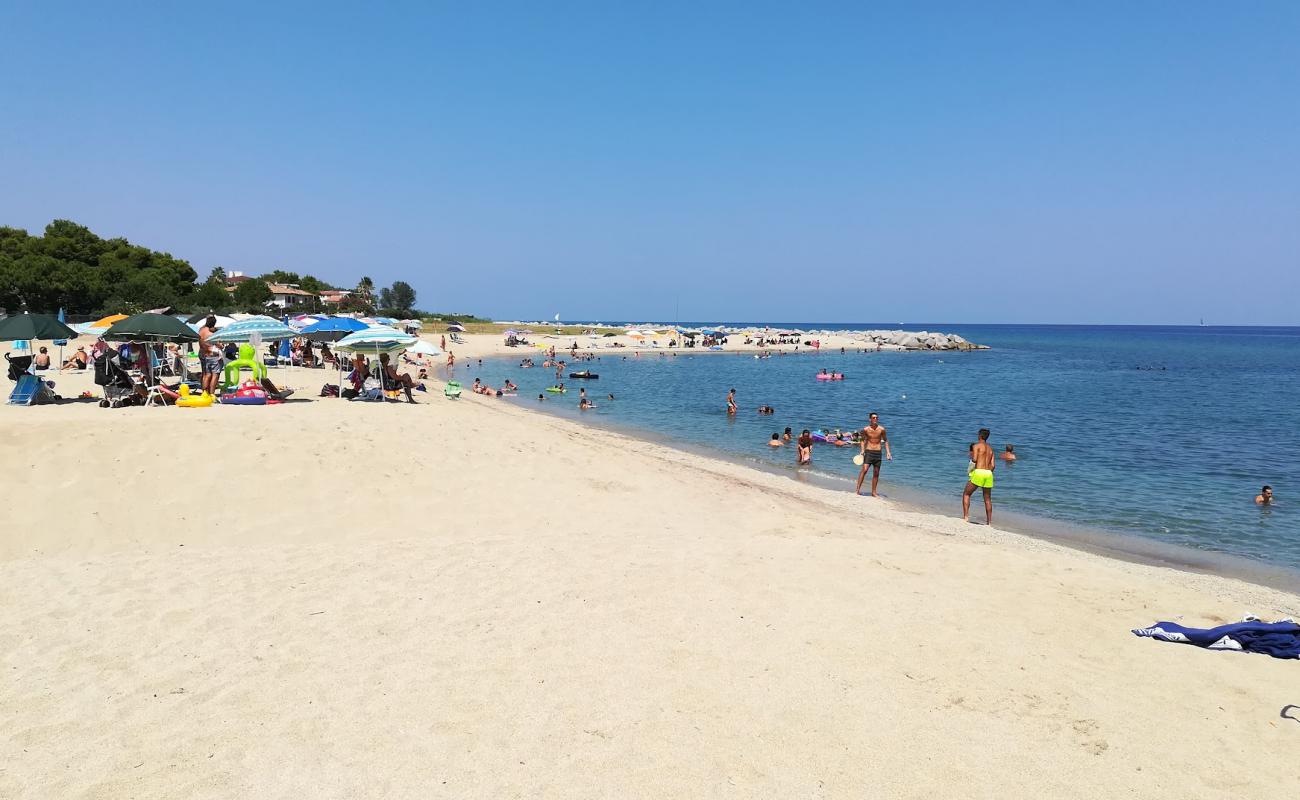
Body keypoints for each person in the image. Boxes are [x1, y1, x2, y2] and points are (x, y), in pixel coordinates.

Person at [855, 412, 892, 497]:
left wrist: (888, 452)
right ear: (870, 419)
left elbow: (886, 440)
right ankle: (857, 490)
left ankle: (874, 492)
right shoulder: (866, 429)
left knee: (876, 473)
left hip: (878, 453)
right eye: (873, 418)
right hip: (869, 451)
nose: (875, 419)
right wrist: (862, 450)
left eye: (876, 418)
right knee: (864, 469)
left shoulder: (881, 429)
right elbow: (862, 439)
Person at [963, 428, 996, 524]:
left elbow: (974, 459)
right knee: (987, 499)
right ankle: (989, 522)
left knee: (966, 494)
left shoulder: (976, 446)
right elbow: (993, 465)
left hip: (979, 472)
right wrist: (987, 473)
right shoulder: (991, 449)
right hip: (989, 474)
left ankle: (966, 517)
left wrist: (969, 470)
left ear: (980, 436)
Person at [197, 315, 222, 396]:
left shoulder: (201, 330)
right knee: (215, 375)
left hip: (202, 353)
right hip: (212, 354)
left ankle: (204, 393)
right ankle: (212, 394)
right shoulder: (211, 334)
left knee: (206, 374)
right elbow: (219, 345)